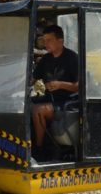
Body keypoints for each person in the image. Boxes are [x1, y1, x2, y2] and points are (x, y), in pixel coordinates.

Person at [31, 25, 79, 155]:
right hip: (50, 99)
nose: (45, 44)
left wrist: (60, 85)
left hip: (68, 102)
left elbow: (79, 85)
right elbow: (32, 79)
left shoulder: (72, 58)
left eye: (49, 40)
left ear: (60, 41)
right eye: (44, 40)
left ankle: (39, 150)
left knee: (38, 110)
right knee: (26, 105)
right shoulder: (46, 59)